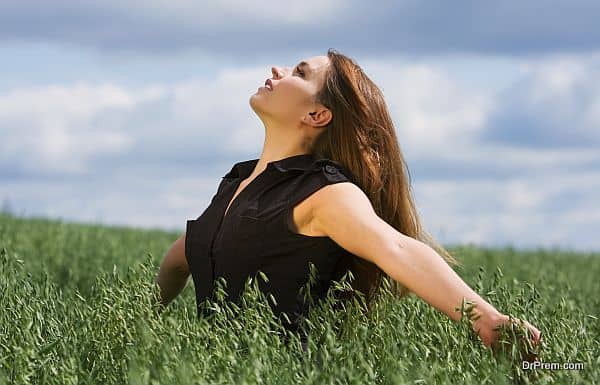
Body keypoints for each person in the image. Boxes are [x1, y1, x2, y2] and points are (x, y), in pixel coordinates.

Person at [156, 48, 542, 353]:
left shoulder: (325, 194)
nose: (277, 71)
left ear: (317, 114)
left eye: (299, 73)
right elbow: (183, 257)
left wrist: (487, 320)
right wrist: (134, 324)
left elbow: (395, 247)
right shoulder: (237, 183)